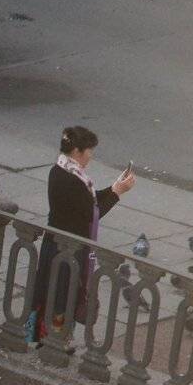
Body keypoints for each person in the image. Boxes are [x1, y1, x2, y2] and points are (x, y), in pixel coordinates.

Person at [30, 125, 136, 343]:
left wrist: (113, 188)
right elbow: (91, 214)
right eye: (89, 150)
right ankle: (55, 341)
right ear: (77, 151)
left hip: (56, 243)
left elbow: (88, 201)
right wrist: (117, 193)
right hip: (67, 248)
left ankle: (43, 337)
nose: (91, 155)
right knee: (63, 294)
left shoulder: (61, 170)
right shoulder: (72, 179)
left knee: (51, 292)